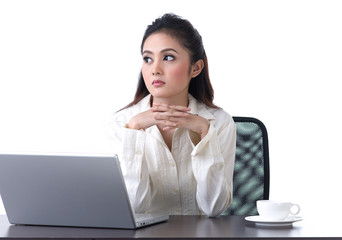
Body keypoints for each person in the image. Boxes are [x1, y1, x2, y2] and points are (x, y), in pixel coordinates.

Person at [107, 13, 236, 217]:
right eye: (147, 59)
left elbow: (214, 208)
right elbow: (133, 207)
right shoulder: (122, 123)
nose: (155, 69)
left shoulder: (218, 122)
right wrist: (134, 132)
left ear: (195, 68)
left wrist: (204, 134)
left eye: (168, 57)